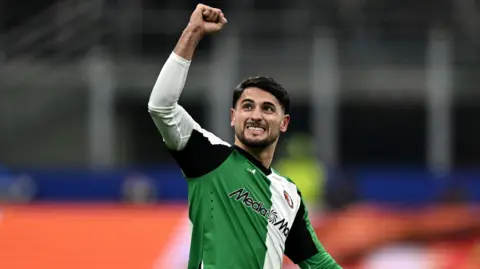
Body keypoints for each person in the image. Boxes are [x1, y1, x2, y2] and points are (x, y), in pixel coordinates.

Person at [148, 4, 342, 269]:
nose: (256, 115)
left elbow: (318, 262)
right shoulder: (210, 157)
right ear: (232, 116)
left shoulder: (288, 196)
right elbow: (161, 106)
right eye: (247, 106)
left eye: (268, 108)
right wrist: (193, 32)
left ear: (284, 123)